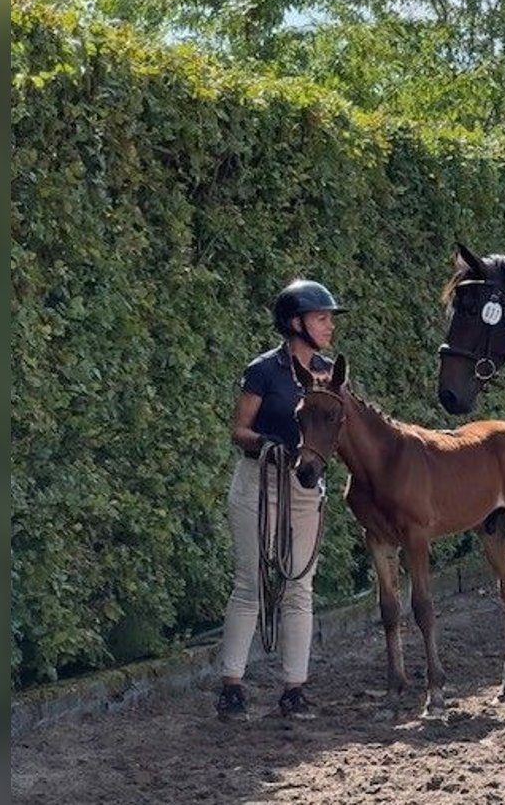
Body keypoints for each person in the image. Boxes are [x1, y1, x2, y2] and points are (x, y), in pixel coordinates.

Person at [215, 279, 347, 721]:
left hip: (304, 487)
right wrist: (267, 444)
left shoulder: (329, 372)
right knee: (250, 584)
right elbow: (239, 430)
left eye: (329, 318)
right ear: (296, 323)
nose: (329, 326)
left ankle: (295, 687)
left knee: (299, 587)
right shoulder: (264, 371)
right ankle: (231, 684)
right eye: (321, 318)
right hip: (260, 479)